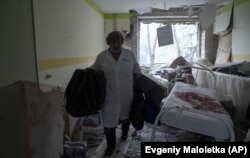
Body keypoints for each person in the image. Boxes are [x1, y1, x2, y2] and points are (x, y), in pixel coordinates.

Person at [90, 31, 141, 156]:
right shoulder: (102, 56)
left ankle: (124, 134)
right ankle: (110, 145)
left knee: (126, 117)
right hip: (109, 95)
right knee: (109, 121)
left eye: (119, 41)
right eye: (113, 41)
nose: (117, 44)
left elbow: (137, 72)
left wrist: (137, 88)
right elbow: (92, 70)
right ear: (108, 42)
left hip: (126, 93)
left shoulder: (129, 55)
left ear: (122, 42)